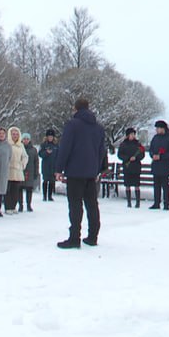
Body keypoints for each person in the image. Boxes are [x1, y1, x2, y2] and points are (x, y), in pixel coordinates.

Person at [55, 99, 106, 249]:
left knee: (75, 204)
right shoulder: (98, 128)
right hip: (91, 172)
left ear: (75, 108)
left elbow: (65, 147)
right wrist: (96, 169)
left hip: (75, 171)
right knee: (92, 204)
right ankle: (93, 236)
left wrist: (59, 169)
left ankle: (74, 237)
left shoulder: (72, 125)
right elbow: (101, 151)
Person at [148, 120, 169, 210]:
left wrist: (161, 156)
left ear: (163, 129)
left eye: (158, 128)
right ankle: (156, 202)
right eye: (156, 128)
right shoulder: (155, 138)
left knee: (165, 185)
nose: (157, 130)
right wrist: (153, 155)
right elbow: (151, 149)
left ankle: (166, 203)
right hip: (156, 164)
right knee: (156, 185)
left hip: (165, 165)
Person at [117, 128, 145, 208]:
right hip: (127, 166)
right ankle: (128, 202)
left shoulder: (138, 144)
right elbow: (120, 155)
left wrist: (136, 158)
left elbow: (142, 154)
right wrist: (128, 158)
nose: (133, 136)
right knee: (127, 184)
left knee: (136, 184)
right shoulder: (123, 144)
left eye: (133, 134)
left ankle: (137, 202)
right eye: (131, 134)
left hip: (136, 166)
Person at [5, 127, 28, 214]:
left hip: (18, 170)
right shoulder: (7, 144)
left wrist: (22, 164)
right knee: (8, 189)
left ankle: (13, 206)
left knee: (16, 190)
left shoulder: (21, 145)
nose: (15, 136)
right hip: (9, 169)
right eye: (13, 134)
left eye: (17, 134)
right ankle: (8, 207)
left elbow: (25, 156)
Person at [19, 133, 39, 212]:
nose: (26, 140)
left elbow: (36, 161)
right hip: (21, 171)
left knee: (29, 189)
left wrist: (36, 172)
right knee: (19, 189)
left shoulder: (33, 150)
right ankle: (20, 205)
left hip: (30, 171)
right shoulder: (19, 148)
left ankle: (29, 205)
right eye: (24, 139)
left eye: (27, 139)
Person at [38, 129, 58, 201]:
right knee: (45, 181)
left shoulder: (56, 145)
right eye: (49, 136)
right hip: (46, 166)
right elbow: (40, 154)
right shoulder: (43, 145)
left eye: (51, 136)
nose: (50, 138)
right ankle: (44, 196)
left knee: (52, 181)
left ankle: (50, 196)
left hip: (53, 166)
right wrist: (46, 152)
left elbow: (58, 156)